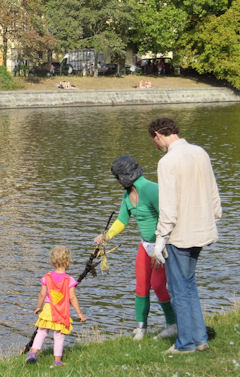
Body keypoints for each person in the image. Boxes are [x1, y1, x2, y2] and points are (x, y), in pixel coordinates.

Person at [149, 117, 222, 354]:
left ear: (159, 135)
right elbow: (212, 189)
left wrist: (161, 238)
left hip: (181, 234)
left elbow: (168, 205)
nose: (156, 146)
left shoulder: (167, 161)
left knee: (179, 288)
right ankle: (200, 339)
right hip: (202, 229)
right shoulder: (200, 152)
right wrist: (215, 215)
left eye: (154, 141)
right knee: (189, 284)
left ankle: (186, 344)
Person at [94, 156, 176, 340]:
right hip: (144, 246)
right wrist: (106, 237)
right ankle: (141, 328)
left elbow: (167, 217)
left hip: (161, 245)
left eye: (117, 177)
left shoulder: (151, 189)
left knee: (157, 285)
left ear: (125, 176)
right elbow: (123, 219)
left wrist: (159, 247)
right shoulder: (127, 194)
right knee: (141, 286)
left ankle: (173, 324)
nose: (116, 181)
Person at [26, 246, 86, 365]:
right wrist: (79, 313)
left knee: (41, 331)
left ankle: (33, 353)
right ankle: (57, 361)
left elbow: (42, 294)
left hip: (48, 308)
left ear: (52, 262)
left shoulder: (47, 277)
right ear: (68, 262)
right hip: (61, 311)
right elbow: (72, 297)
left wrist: (39, 306)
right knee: (59, 336)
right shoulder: (69, 280)